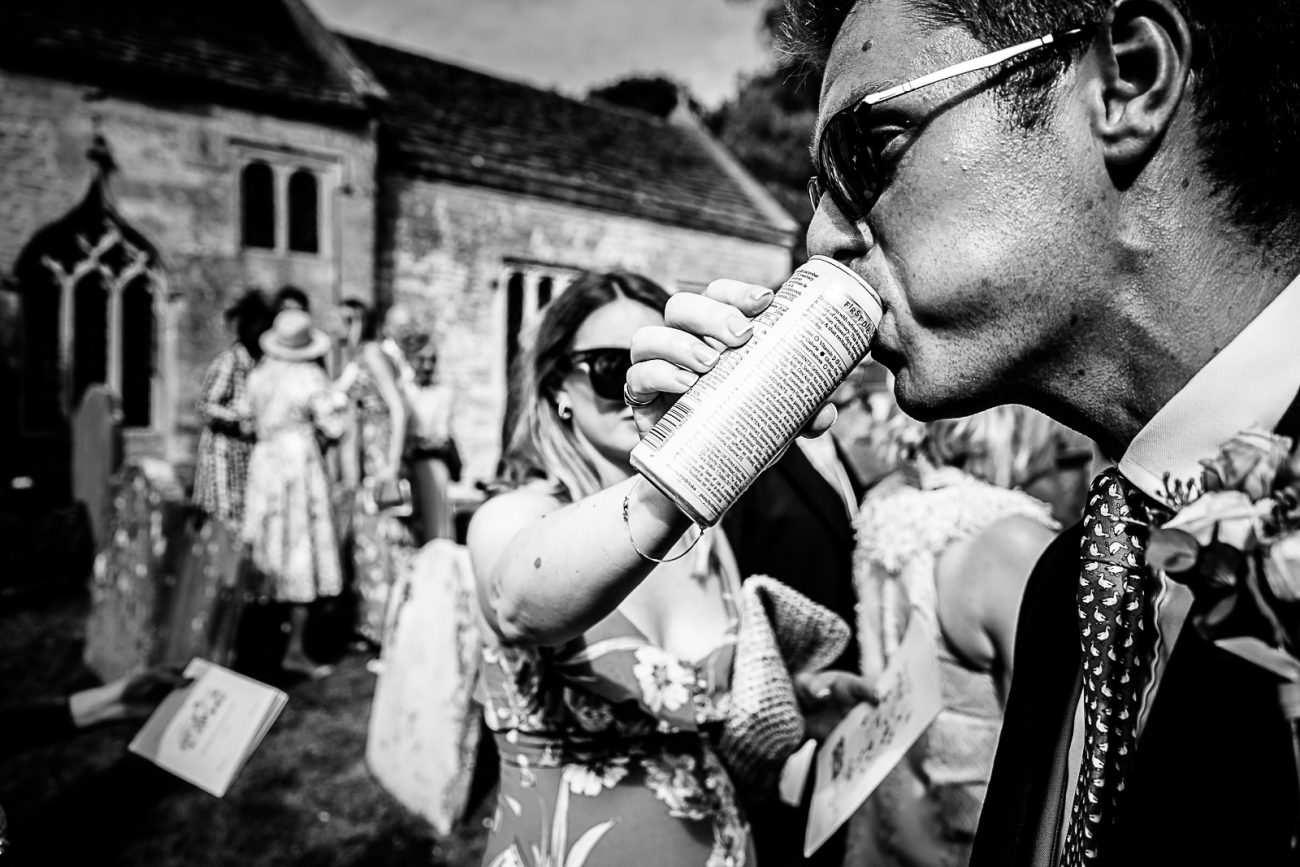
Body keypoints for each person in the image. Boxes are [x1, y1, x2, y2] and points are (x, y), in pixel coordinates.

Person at [628, 0, 1300, 863]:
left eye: (866, 148)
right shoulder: (1072, 583)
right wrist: (655, 487)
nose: (820, 236)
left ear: (1128, 80)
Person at [468, 271, 868, 867]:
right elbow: (520, 606)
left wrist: (796, 699)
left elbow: (707, 711)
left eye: (668, 363)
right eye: (613, 367)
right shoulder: (512, 515)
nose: (637, 387)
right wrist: (682, 466)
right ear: (559, 389)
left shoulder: (706, 539)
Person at [847, 407, 1059, 867]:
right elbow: (1055, 759)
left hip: (895, 834)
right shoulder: (1011, 544)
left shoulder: (887, 505)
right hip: (980, 842)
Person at [242, 309, 345, 679]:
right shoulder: (310, 377)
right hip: (297, 463)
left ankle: (259, 642)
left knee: (268, 547)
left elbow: (246, 417)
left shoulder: (258, 375)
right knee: (301, 551)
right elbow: (334, 426)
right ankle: (294, 649)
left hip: (265, 461)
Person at [334, 298, 415, 646]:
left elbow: (398, 409)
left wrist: (391, 465)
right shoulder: (357, 357)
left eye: (341, 320)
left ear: (354, 321)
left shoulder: (371, 354)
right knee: (368, 543)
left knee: (385, 541)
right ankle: (373, 625)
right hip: (367, 458)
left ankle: (391, 627)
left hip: (381, 458)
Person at [192, 290, 269, 529]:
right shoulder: (230, 361)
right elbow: (206, 405)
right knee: (223, 520)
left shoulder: (259, 364)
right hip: (223, 453)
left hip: (246, 452)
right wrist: (237, 419)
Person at [405, 339, 460, 541]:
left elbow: (441, 436)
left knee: (436, 527)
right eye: (421, 359)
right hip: (405, 466)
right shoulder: (402, 391)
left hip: (431, 465)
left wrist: (419, 443)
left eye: (432, 360)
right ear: (410, 360)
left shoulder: (442, 394)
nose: (428, 366)